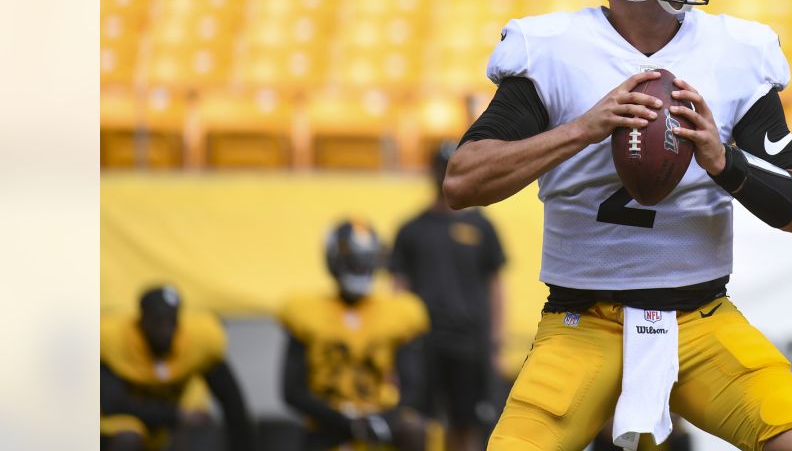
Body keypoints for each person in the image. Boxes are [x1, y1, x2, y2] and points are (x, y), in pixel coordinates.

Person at [443, 0, 792, 451]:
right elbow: (462, 181)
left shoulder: (735, 52)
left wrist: (724, 161)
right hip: (581, 324)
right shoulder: (552, 51)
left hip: (700, 319)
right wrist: (581, 129)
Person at [390, 140, 508, 451]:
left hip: (468, 343)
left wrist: (496, 342)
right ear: (431, 174)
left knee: (466, 422)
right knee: (416, 421)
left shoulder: (481, 226)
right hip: (421, 342)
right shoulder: (411, 230)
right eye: (440, 170)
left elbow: (496, 286)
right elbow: (398, 290)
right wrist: (396, 346)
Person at [279, 219, 430, 451]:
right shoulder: (306, 312)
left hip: (379, 418)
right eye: (353, 258)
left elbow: (414, 387)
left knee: (414, 428)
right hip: (327, 423)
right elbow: (292, 391)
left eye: (364, 259)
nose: (359, 265)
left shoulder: (399, 313)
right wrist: (344, 421)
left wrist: (383, 419)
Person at [100, 284, 257, 451]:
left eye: (170, 320)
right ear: (142, 318)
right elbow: (113, 404)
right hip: (119, 424)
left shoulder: (197, 343)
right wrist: (176, 415)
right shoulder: (114, 342)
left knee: (202, 426)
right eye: (158, 320)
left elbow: (233, 404)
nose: (165, 329)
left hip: (167, 427)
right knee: (128, 437)